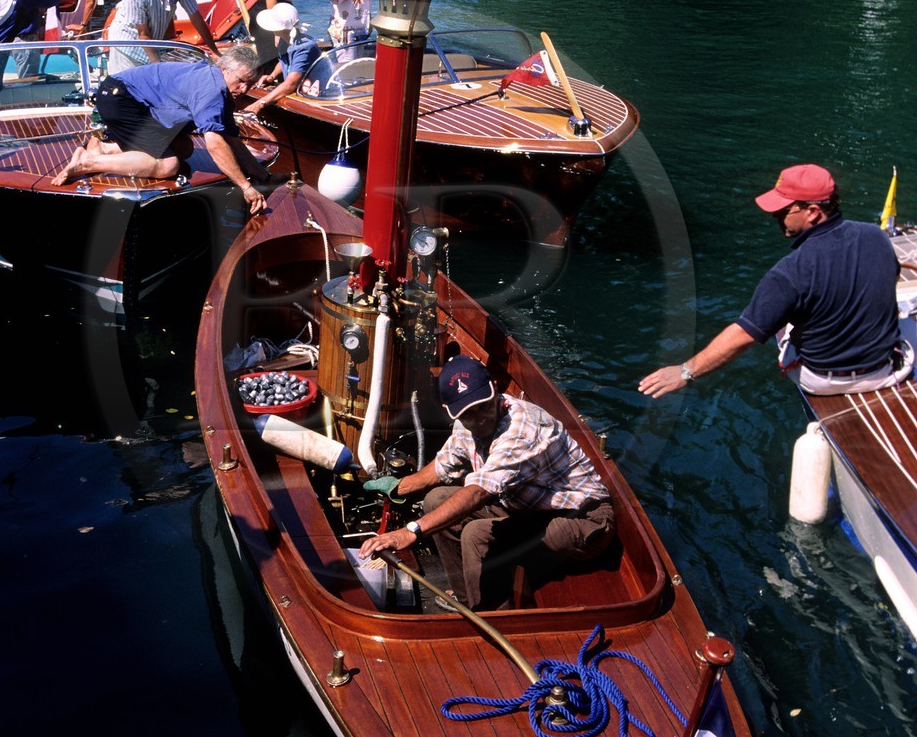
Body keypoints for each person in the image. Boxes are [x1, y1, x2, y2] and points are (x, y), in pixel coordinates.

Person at [359, 356, 615, 610]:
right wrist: (398, 488)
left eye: (484, 405)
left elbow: (478, 493)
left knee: (477, 535)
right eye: (468, 413)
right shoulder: (466, 424)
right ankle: (466, 600)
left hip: (582, 519)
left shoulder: (522, 429)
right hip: (526, 507)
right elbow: (443, 465)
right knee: (435, 500)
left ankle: (491, 617)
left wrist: (410, 531)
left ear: (495, 389)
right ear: (451, 411)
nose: (480, 417)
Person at [638, 163, 907, 400]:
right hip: (883, 370)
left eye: (783, 210)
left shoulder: (789, 272)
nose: (775, 216)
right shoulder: (877, 236)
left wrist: (685, 372)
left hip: (823, 381)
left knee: (782, 323)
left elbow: (743, 336)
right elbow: (892, 278)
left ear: (812, 212)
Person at [50, 43, 270, 215]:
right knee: (169, 165)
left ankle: (103, 149)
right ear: (224, 70)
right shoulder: (212, 90)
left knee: (183, 146)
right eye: (240, 81)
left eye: (250, 85)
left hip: (128, 97)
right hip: (122, 100)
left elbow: (231, 138)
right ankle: (86, 162)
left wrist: (263, 175)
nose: (243, 89)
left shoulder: (218, 84)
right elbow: (214, 144)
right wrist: (245, 187)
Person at [247, 3, 319, 110]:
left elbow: (291, 84)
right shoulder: (284, 40)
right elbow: (284, 61)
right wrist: (272, 76)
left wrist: (259, 104)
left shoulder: (304, 47)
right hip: (298, 91)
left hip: (312, 94)